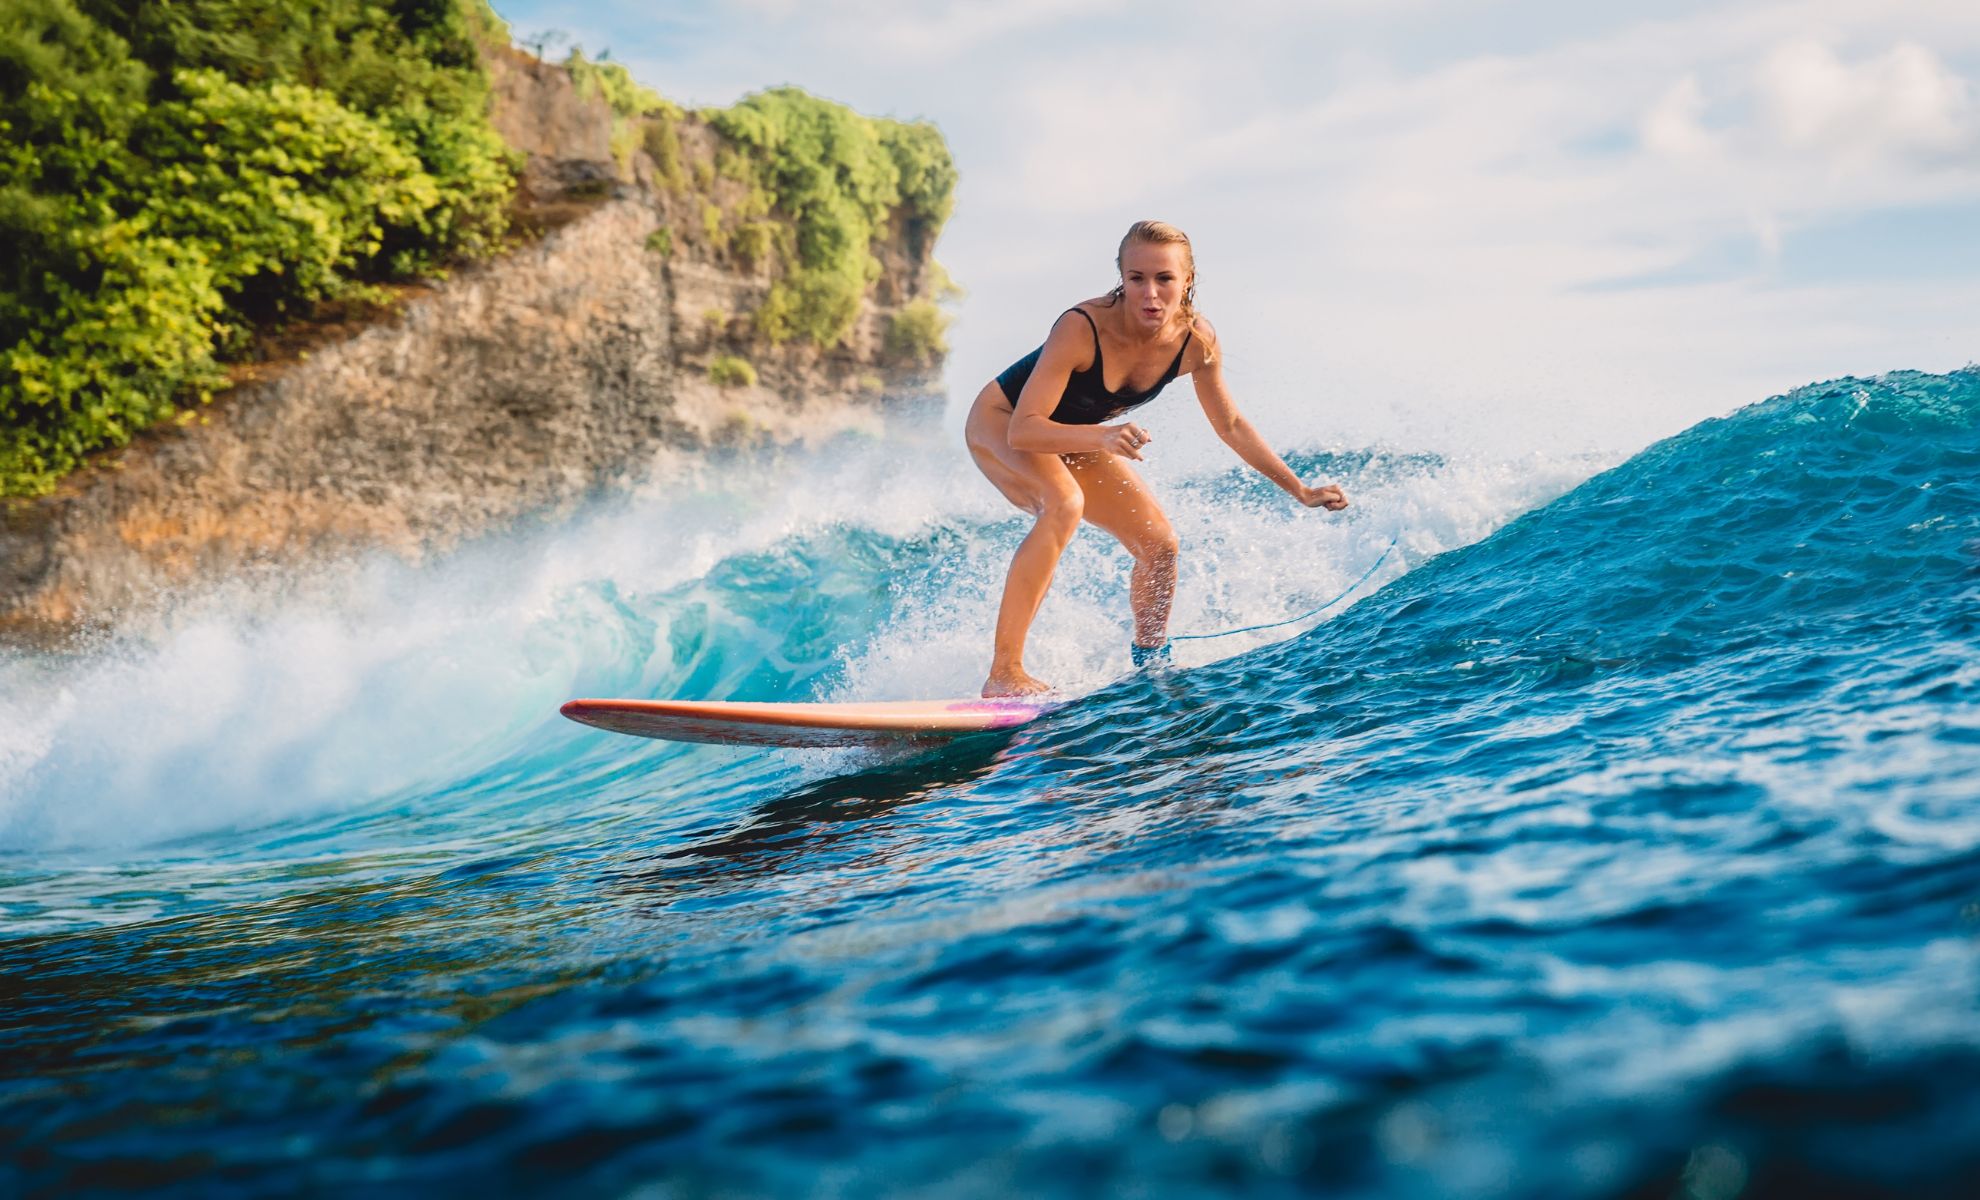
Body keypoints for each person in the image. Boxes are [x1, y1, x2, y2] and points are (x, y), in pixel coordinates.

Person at [964, 219, 1351, 698]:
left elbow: (1229, 425)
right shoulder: (1082, 327)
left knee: (1160, 545)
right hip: (1003, 422)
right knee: (1063, 502)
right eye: (1136, 278)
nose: (1150, 293)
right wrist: (1103, 437)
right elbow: (1024, 430)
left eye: (1164, 279)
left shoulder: (1196, 342)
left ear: (1187, 280)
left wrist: (1300, 489)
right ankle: (1004, 673)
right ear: (1121, 277)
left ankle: (1151, 667)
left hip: (1078, 436)